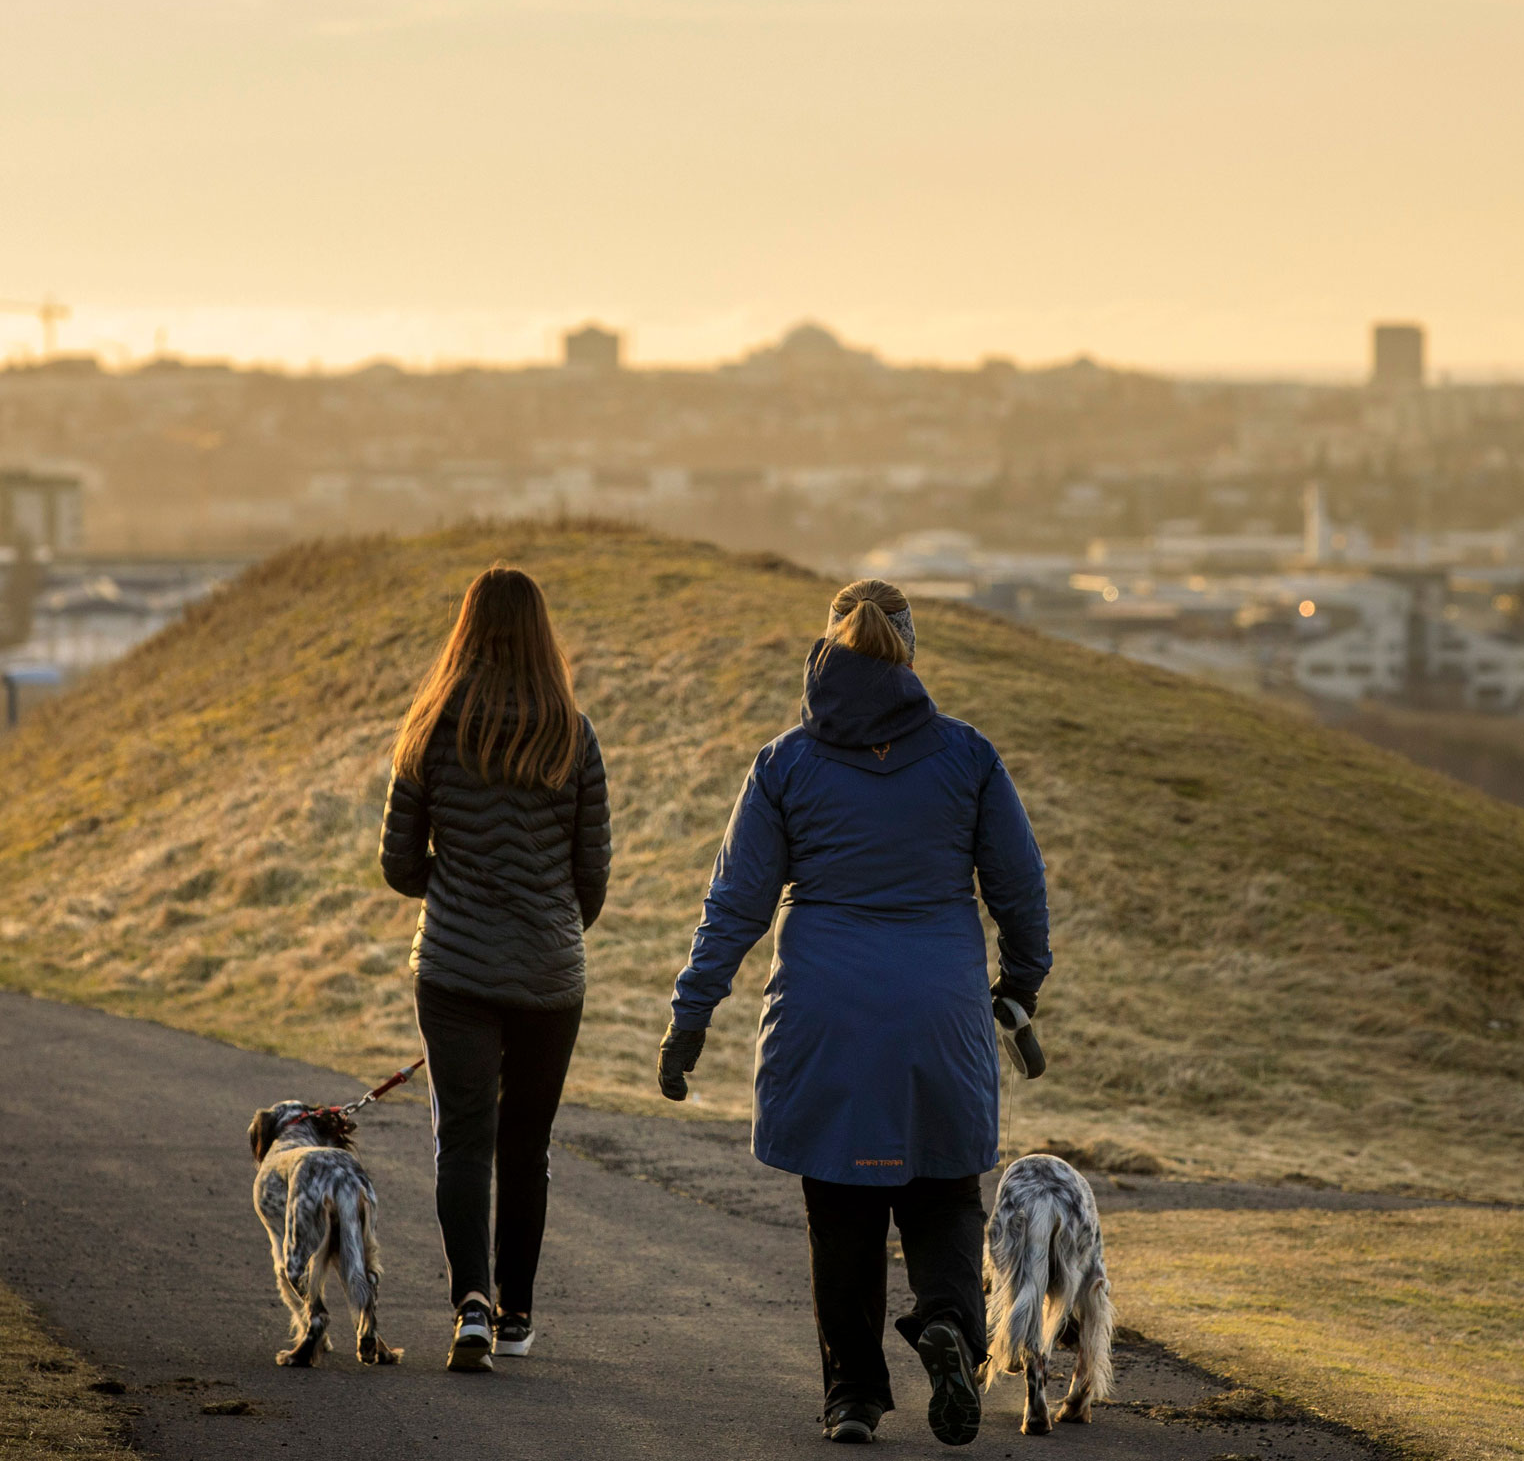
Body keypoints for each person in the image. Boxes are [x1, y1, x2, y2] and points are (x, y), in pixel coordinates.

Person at [659, 578, 1050, 1447]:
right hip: (938, 1010)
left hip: (824, 1015)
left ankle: (853, 1398)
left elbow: (736, 904)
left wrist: (691, 1016)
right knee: (946, 1190)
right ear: (908, 652)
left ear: (829, 649)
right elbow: (1020, 887)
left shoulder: (786, 763)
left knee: (840, 1208)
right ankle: (947, 1319)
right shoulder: (968, 757)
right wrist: (1022, 981)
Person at [381, 564, 610, 1374]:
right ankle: (516, 1315)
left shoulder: (430, 728)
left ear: (467, 631)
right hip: (550, 975)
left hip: (452, 971)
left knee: (464, 1142)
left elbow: (399, 865)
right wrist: (545, 925)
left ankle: (469, 1306)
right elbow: (594, 878)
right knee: (527, 1144)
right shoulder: (573, 735)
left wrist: (457, 891)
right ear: (543, 635)